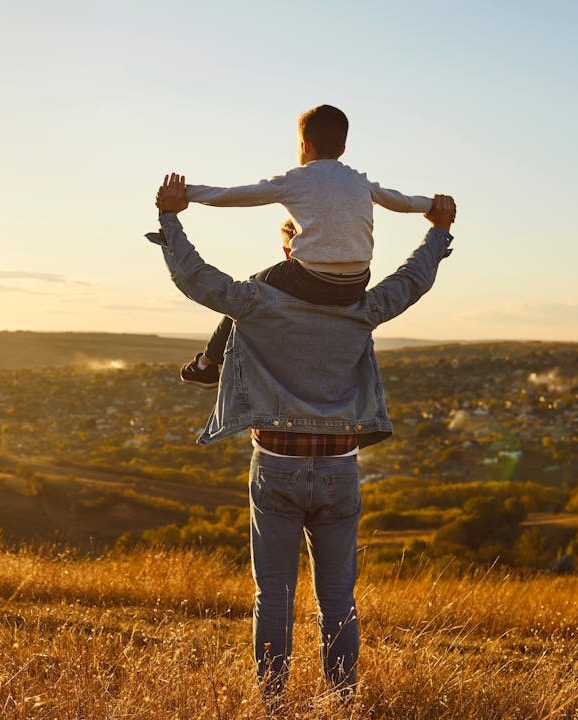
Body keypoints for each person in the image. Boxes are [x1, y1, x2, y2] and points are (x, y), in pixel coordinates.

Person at [147, 173, 456, 707]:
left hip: (276, 465)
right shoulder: (362, 307)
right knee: (338, 597)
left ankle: (272, 704)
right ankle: (342, 703)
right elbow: (411, 281)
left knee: (274, 596)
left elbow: (197, 278)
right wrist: (437, 230)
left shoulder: (258, 302)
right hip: (340, 468)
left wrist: (172, 217)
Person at [176, 104, 446, 388]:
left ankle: (207, 365)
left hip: (311, 279)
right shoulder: (360, 181)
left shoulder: (296, 179)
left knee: (249, 291)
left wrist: (187, 194)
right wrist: (432, 205)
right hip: (356, 283)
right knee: (270, 282)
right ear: (343, 148)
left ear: (304, 144)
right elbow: (401, 201)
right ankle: (210, 362)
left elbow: (234, 195)